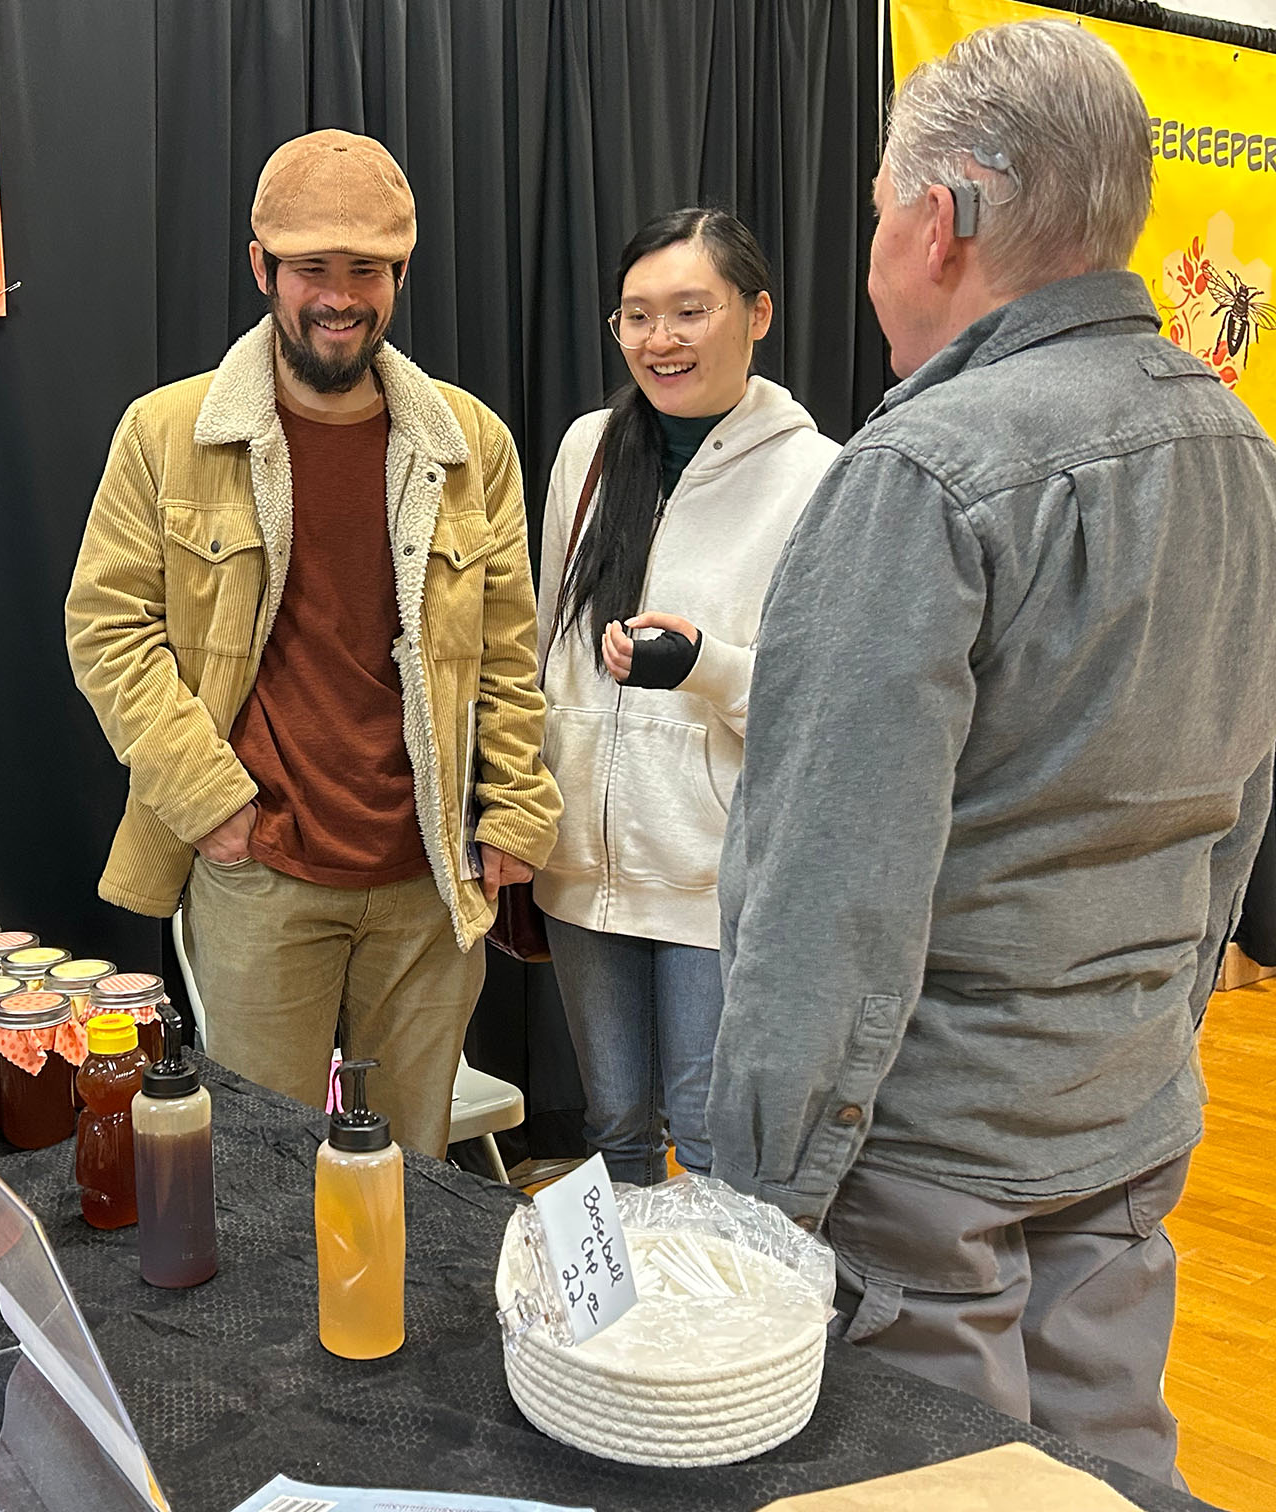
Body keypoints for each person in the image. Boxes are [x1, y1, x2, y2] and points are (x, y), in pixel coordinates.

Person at [707, 19, 1276, 1485]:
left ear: (938, 219)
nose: (878, 250)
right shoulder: (1241, 452)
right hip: (1127, 1105)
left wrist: (759, 1199)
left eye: (885, 214)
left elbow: (831, 880)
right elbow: (1241, 808)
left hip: (929, 1156)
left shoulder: (917, 480)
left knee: (932, 1481)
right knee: (1105, 1470)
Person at [66, 129, 560, 1159]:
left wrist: (516, 801)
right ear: (262, 270)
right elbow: (107, 630)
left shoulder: (471, 446)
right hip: (263, 879)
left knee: (413, 1171)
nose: (340, 297)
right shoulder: (167, 433)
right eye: (311, 270)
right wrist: (212, 804)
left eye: (366, 271)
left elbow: (512, 652)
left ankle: (398, 1327)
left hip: (429, 885)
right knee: (264, 1173)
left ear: (399, 275)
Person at [533, 208, 839, 1186]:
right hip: (583, 869)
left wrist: (705, 664)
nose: (658, 340)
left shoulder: (815, 478)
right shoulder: (587, 454)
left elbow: (821, 703)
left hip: (716, 878)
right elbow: (548, 653)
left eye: (688, 311)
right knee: (615, 1130)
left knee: (710, 1147)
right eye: (635, 316)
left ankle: (722, 1337)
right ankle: (625, 1340)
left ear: (757, 313)